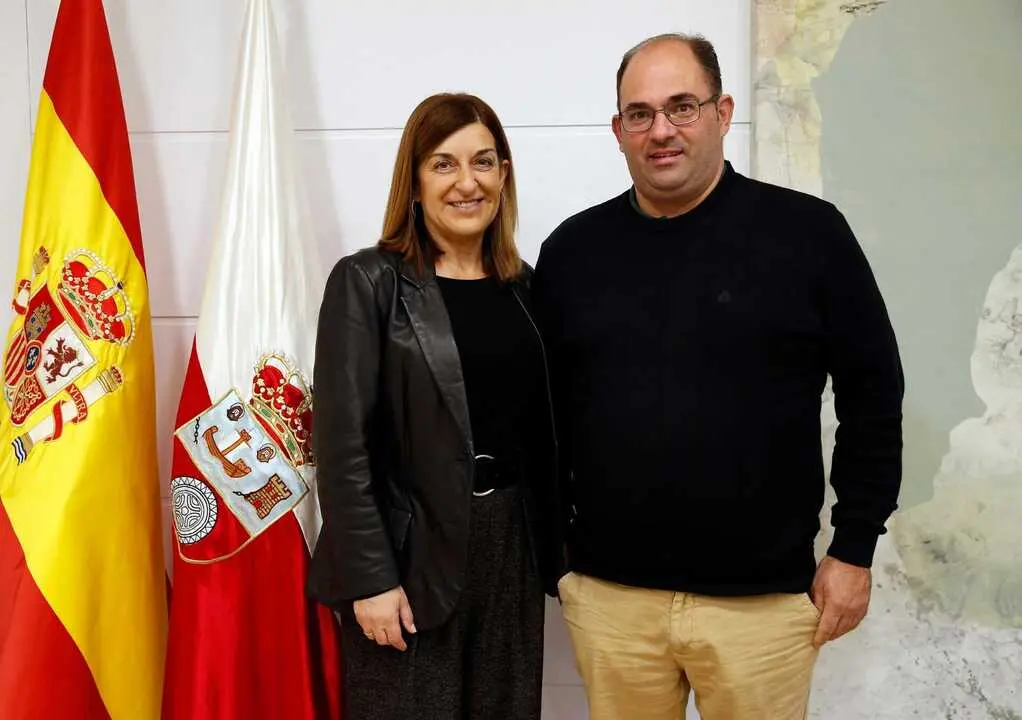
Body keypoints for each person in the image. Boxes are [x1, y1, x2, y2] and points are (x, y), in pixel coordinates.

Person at [532, 33, 904, 720]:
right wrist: (560, 559)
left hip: (760, 607)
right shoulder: (572, 253)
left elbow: (874, 395)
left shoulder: (810, 236)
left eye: (682, 106)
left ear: (723, 111)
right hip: (612, 602)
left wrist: (854, 547)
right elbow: (542, 415)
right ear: (618, 130)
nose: (661, 130)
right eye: (639, 114)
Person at [307, 92, 562, 720]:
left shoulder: (527, 288)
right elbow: (342, 448)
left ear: (504, 174)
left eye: (483, 161)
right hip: (408, 556)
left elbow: (545, 434)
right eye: (444, 164)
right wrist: (371, 578)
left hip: (510, 550)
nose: (467, 182)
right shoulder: (368, 283)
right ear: (415, 183)